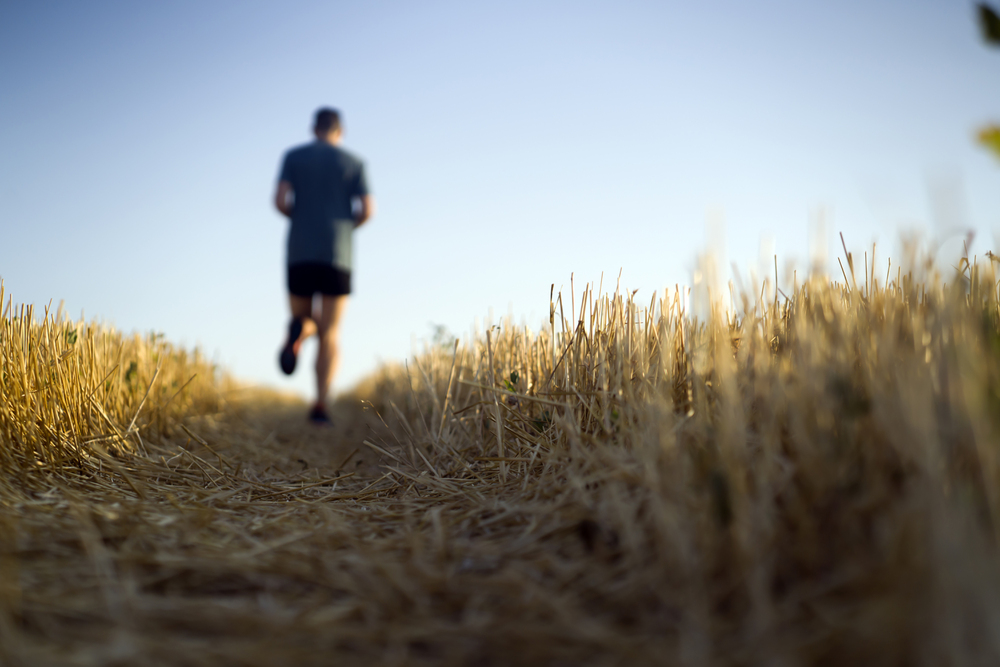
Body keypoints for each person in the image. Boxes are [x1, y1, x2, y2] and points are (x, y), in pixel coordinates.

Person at [274, 108, 375, 424]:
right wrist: (345, 227)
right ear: (339, 131)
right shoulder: (354, 163)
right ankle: (320, 405)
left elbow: (280, 200)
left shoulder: (293, 157)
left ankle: (299, 330)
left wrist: (302, 218)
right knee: (330, 332)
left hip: (299, 249)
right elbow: (367, 210)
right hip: (338, 252)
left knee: (303, 316)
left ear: (313, 129)